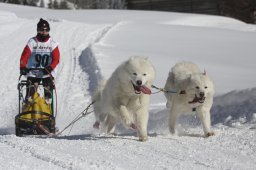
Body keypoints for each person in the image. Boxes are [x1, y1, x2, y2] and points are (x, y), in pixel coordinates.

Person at [20, 18, 60, 103]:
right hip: (33, 72)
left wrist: (50, 67)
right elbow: (24, 56)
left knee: (48, 98)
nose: (44, 32)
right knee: (30, 97)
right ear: (38, 30)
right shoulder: (32, 42)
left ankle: (47, 110)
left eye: (46, 30)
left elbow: (56, 59)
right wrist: (22, 67)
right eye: (42, 30)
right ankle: (29, 109)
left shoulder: (52, 43)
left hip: (47, 72)